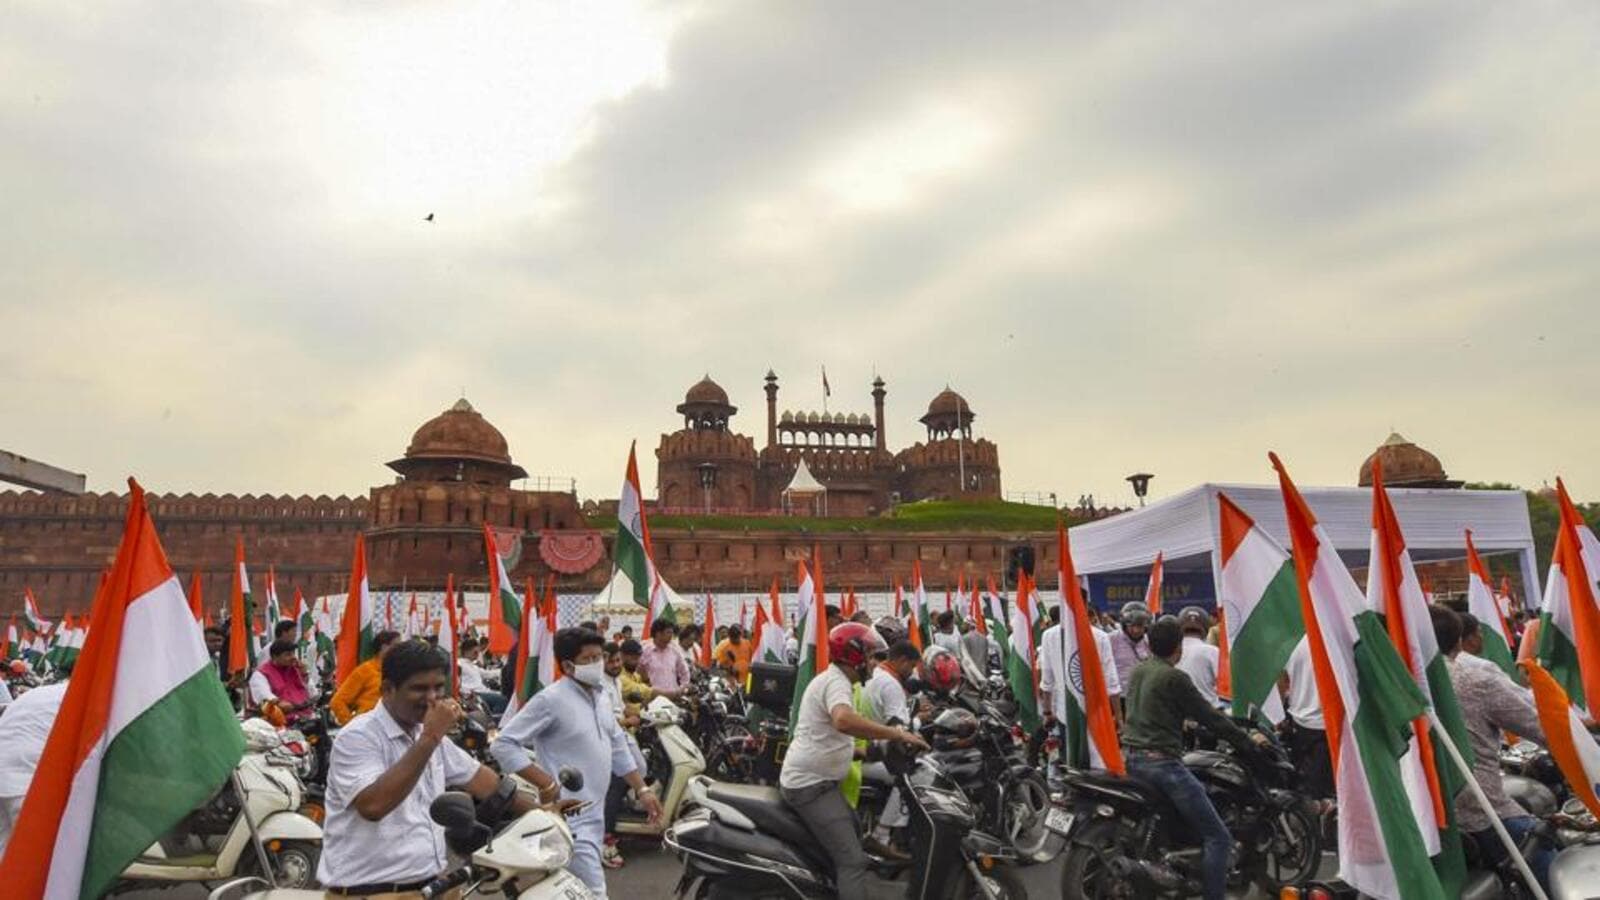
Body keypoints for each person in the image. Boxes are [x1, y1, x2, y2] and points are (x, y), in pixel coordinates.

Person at [317, 640, 548, 893]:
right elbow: (373, 806)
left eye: (438, 688)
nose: (432, 699)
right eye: (419, 689)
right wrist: (431, 737)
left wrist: (543, 814)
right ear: (387, 689)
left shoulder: (424, 734)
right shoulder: (359, 737)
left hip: (434, 885)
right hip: (374, 893)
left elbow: (484, 782)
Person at [493, 628, 661, 898]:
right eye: (589, 658)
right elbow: (503, 744)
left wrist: (642, 789)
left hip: (596, 812)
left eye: (599, 657)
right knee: (594, 892)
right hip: (568, 817)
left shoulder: (602, 696)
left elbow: (617, 744)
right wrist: (547, 782)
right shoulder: (551, 699)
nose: (597, 664)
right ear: (568, 665)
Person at [1123, 616, 1269, 900]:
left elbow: (1155, 709)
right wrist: (1246, 740)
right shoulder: (1174, 677)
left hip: (1133, 760)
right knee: (1218, 836)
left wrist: (1184, 721)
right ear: (1178, 648)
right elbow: (1210, 716)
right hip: (1163, 765)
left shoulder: (1140, 671)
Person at [780, 623, 929, 900]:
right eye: (872, 656)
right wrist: (895, 733)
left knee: (857, 833)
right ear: (854, 656)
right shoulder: (836, 682)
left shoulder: (839, 681)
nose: (875, 663)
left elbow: (830, 739)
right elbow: (843, 720)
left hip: (820, 781)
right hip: (810, 786)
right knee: (852, 862)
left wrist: (877, 750)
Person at [1437, 605, 1554, 889]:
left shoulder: (1384, 683)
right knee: (1558, 869)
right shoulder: (1474, 676)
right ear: (1459, 640)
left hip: (1417, 825)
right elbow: (1543, 726)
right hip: (1477, 815)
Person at [862, 640, 923, 858]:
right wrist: (916, 733)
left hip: (867, 748)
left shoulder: (877, 676)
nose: (913, 672)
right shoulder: (891, 685)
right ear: (902, 661)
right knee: (909, 779)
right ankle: (882, 835)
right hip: (870, 754)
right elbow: (899, 728)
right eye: (912, 666)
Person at [0, 678, 69, 854]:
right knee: (34, 852)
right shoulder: (81, 702)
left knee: (6, 844)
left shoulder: (40, 693)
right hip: (27, 777)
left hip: (7, 767)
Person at [1040, 604, 1122, 732]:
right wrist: (1118, 716)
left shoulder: (1049, 635)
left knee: (1068, 750)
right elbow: (1111, 680)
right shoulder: (1100, 637)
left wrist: (1047, 712)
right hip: (1093, 713)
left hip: (1066, 713)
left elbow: (1047, 679)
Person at [1280, 635, 1333, 803]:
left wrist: (1280, 715)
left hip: (1300, 720)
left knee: (1307, 783)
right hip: (1328, 724)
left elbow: (1281, 680)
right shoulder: (1335, 638)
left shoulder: (1291, 643)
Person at [330, 630, 401, 725]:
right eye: (397, 646)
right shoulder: (365, 670)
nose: (401, 650)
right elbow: (337, 702)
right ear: (384, 647)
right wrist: (351, 724)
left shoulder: (399, 670)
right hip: (368, 727)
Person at [249, 639, 314, 723]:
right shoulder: (260, 674)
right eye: (288, 655)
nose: (293, 657)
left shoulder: (296, 669)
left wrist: (305, 674)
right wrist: (278, 703)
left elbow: (312, 694)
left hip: (304, 717)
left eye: (293, 653)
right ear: (275, 657)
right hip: (277, 722)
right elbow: (265, 696)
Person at [1174, 607, 1222, 708]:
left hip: (1175, 711)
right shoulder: (1213, 651)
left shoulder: (1169, 650)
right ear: (1205, 628)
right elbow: (1224, 686)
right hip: (1207, 712)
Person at [639, 619, 691, 698]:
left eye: (672, 632)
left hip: (673, 699)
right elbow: (637, 674)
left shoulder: (675, 650)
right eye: (668, 632)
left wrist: (682, 688)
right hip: (652, 699)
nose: (671, 635)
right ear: (658, 633)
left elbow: (685, 672)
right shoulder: (645, 651)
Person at [1108, 601, 1154, 691]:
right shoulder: (1111, 639)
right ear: (1124, 625)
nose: (1136, 631)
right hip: (1119, 695)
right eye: (1132, 626)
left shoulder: (1149, 641)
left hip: (1142, 694)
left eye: (1140, 626)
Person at [457, 638, 506, 716]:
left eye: (478, 653)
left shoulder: (473, 666)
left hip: (483, 692)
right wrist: (466, 692)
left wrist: (505, 669)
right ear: (466, 651)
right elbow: (456, 682)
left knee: (505, 696)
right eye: (475, 652)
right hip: (475, 695)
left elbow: (488, 674)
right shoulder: (459, 664)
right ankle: (495, 721)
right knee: (502, 700)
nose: (477, 655)